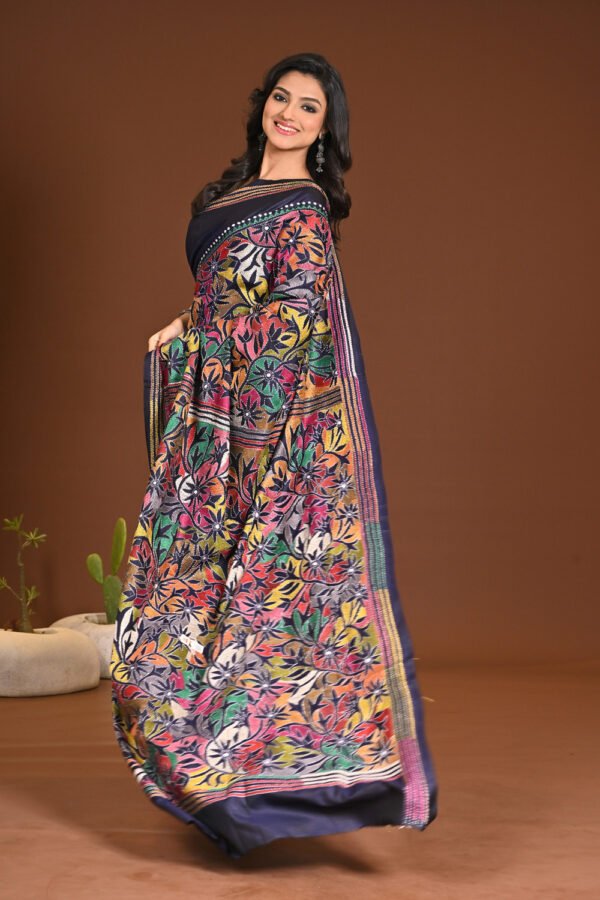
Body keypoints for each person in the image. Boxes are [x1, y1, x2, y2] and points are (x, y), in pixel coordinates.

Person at [111, 51, 438, 859]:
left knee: (259, 605)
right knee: (184, 596)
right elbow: (228, 295)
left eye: (309, 108)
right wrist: (187, 325)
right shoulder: (224, 199)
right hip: (210, 426)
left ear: (325, 132)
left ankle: (267, 788)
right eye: (282, 98)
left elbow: (290, 321)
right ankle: (209, 773)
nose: (289, 114)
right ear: (263, 105)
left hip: (262, 427)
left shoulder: (304, 209)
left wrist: (217, 361)